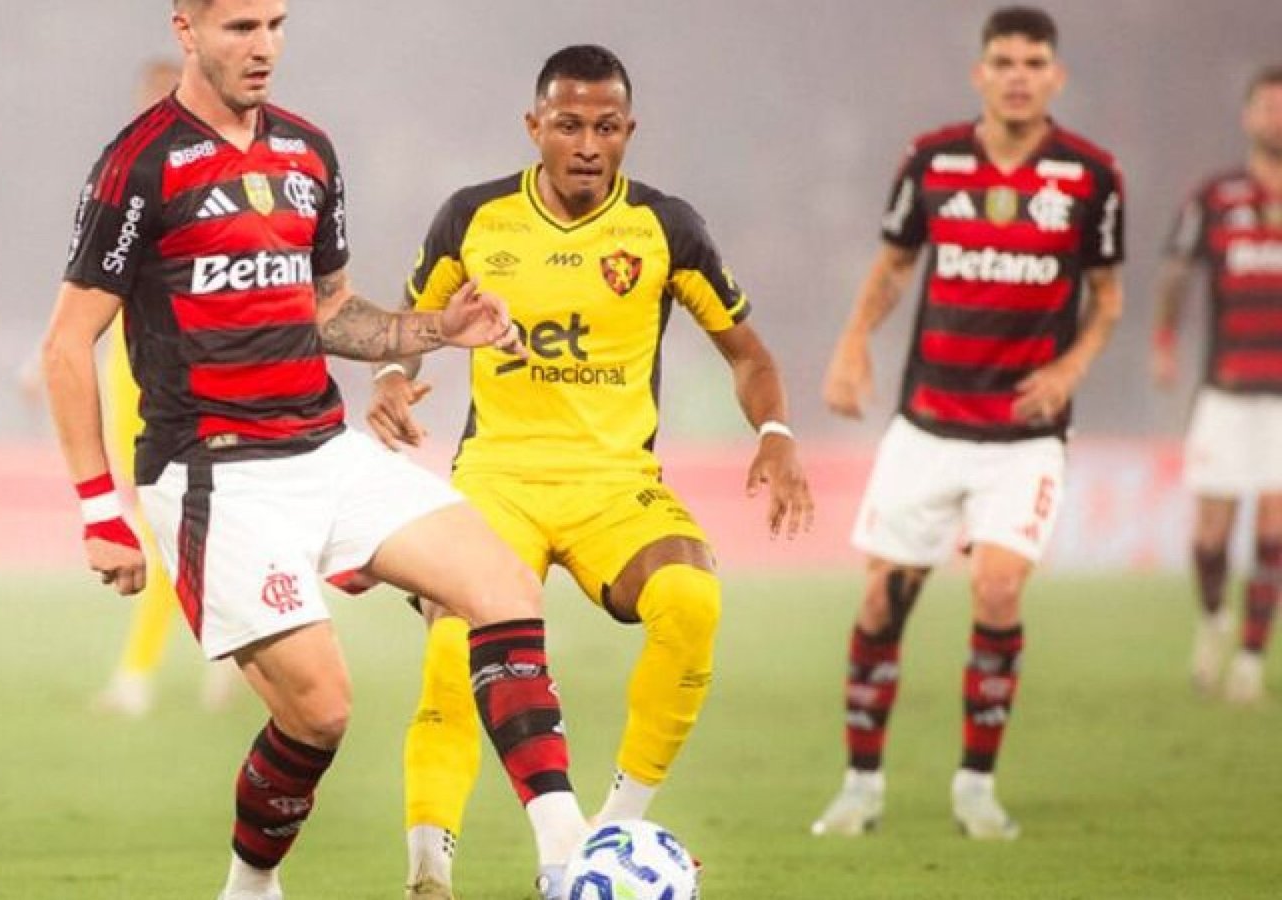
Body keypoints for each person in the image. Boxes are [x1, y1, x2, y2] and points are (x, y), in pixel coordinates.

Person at [40, 2, 588, 898]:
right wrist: (102, 512)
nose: (263, 48)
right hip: (214, 472)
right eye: (239, 28)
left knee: (504, 590)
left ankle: (569, 855)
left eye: (276, 25)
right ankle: (249, 887)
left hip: (324, 448)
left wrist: (437, 328)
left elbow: (329, 311)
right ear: (187, 29)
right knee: (322, 714)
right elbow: (68, 343)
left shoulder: (308, 153)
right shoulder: (139, 163)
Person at [367, 45, 814, 900]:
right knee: (451, 653)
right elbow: (405, 325)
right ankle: (429, 871)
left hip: (614, 484)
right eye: (567, 125)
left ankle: (609, 834)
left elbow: (745, 350)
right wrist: (389, 378)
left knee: (692, 602)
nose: (586, 144)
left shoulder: (665, 228)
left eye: (605, 127)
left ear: (628, 132)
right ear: (534, 127)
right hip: (498, 477)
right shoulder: (473, 217)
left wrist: (777, 427)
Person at [814, 6, 1124, 840]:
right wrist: (851, 344)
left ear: (1054, 76)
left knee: (996, 587)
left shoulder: (1091, 177)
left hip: (1023, 438)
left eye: (1033, 61)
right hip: (927, 424)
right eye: (1003, 60)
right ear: (980, 73)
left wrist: (1071, 367)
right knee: (881, 602)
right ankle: (861, 786)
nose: (1017, 74)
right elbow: (894, 265)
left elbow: (1108, 299)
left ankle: (976, 788)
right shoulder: (934, 160)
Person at [62, 57, 241, 718]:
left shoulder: (217, 180)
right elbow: (89, 292)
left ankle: (140, 676)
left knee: (169, 527)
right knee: (188, 529)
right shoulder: (127, 177)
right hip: (128, 376)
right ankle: (236, 648)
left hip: (185, 380)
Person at [1153, 64, 1282, 705]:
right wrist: (1165, 343)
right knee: (1210, 533)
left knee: (1274, 531)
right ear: (1248, 116)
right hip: (1226, 390)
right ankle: (1212, 623)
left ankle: (1252, 662)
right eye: (1266, 107)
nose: (1276, 117)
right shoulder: (1216, 195)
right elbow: (1177, 272)